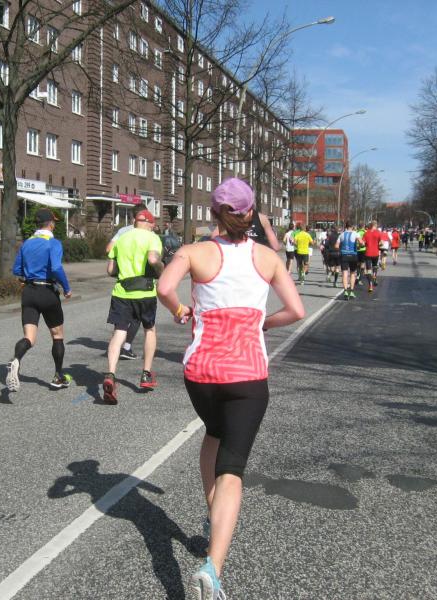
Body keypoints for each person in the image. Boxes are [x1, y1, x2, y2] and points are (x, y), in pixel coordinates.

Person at [157, 178, 304, 600]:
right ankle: (213, 569)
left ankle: (212, 516)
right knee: (232, 469)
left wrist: (180, 308)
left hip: (201, 374)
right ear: (251, 212)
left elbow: (164, 288)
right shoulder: (268, 257)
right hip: (247, 376)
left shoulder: (193, 252)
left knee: (214, 433)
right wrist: (262, 323)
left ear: (213, 213)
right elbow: (296, 310)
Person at [6, 209, 73, 392]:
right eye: (54, 222)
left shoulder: (27, 243)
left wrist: (29, 277)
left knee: (29, 337)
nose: (55, 225)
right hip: (47, 291)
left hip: (29, 292)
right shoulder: (53, 243)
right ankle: (58, 376)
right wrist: (66, 288)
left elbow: (17, 270)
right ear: (50, 224)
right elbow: (56, 268)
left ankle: (16, 360)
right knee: (57, 335)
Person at [103, 209, 164, 403]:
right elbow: (153, 259)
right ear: (150, 224)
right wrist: (161, 269)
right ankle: (146, 374)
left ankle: (110, 374)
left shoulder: (121, 238)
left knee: (119, 332)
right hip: (145, 292)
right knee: (149, 330)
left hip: (121, 292)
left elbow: (110, 270)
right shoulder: (152, 238)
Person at [105, 204, 149, 361]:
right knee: (137, 316)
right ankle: (127, 347)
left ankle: (115, 345)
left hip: (123, 277)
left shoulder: (123, 231)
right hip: (142, 280)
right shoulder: (148, 232)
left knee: (122, 317)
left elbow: (109, 249)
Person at [336, 221, 360, 300]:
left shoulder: (341, 234)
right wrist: (359, 246)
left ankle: (346, 291)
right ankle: (352, 291)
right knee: (353, 273)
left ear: (345, 227)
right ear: (352, 227)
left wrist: (341, 248)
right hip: (353, 255)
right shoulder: (355, 233)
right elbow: (361, 242)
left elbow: (336, 246)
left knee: (344, 273)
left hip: (344, 255)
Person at [363, 220, 383, 293]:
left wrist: (366, 245)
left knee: (368, 270)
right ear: (375, 225)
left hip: (368, 253)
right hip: (375, 253)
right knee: (375, 266)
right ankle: (374, 275)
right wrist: (378, 245)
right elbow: (381, 243)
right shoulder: (378, 233)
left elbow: (363, 243)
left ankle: (370, 285)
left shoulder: (366, 233)